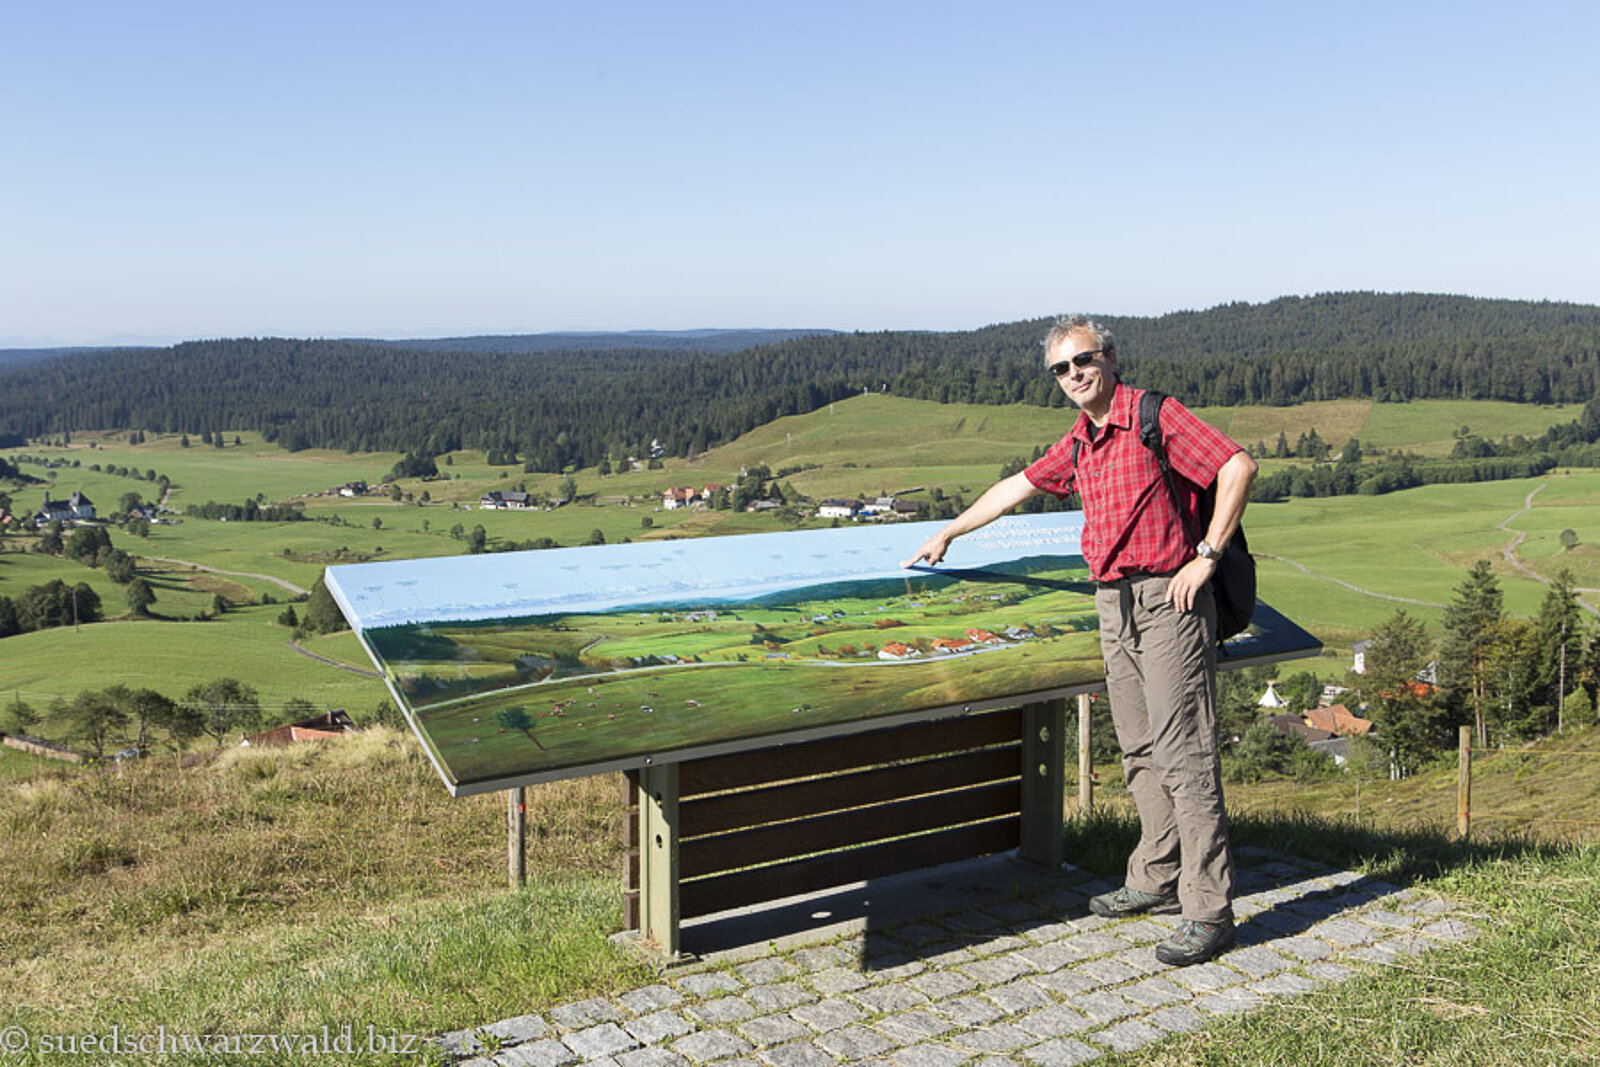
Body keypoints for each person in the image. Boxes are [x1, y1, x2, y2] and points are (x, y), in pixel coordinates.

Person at [903, 314, 1257, 966]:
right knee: (1139, 747)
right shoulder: (1080, 441)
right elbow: (1016, 486)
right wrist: (951, 532)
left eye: (1083, 361)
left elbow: (1237, 464)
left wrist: (1206, 555)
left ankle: (1209, 909)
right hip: (1111, 603)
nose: (1074, 376)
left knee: (1185, 754)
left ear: (1111, 358)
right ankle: (1154, 874)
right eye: (1061, 369)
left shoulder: (1154, 415)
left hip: (1169, 599)